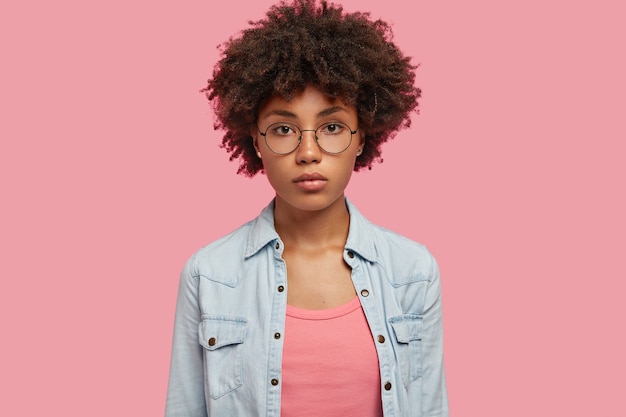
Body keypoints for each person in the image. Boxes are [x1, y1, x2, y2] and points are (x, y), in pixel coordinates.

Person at [165, 0, 448, 416]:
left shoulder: (412, 272)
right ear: (257, 141)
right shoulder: (209, 274)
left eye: (332, 127)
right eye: (283, 129)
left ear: (361, 138)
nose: (309, 152)